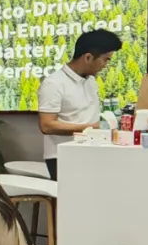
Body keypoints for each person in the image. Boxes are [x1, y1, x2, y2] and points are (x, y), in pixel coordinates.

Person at [37, 28, 123, 180]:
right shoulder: (54, 83)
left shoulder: (90, 81)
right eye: (105, 59)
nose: (106, 65)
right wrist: (92, 128)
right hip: (64, 156)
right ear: (88, 57)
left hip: (92, 151)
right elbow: (47, 125)